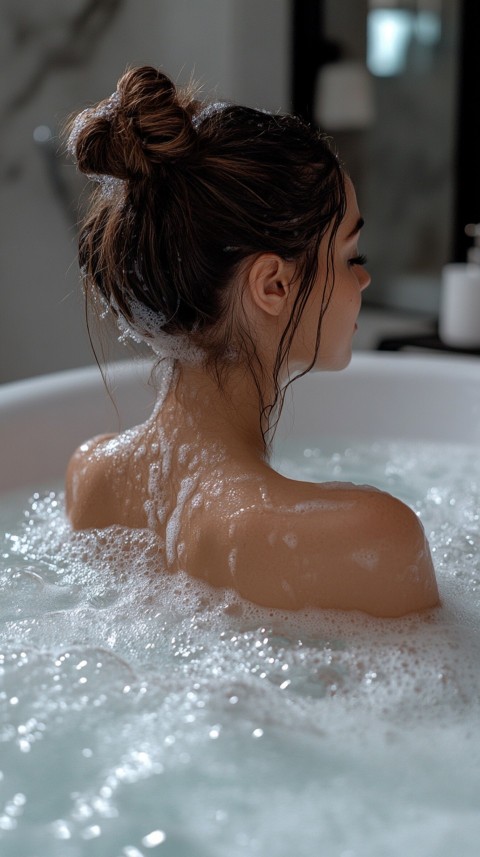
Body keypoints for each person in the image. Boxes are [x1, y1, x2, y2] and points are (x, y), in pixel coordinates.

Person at [65, 66, 439, 618]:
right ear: (273, 285)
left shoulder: (92, 476)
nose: (363, 280)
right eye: (349, 256)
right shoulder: (369, 538)